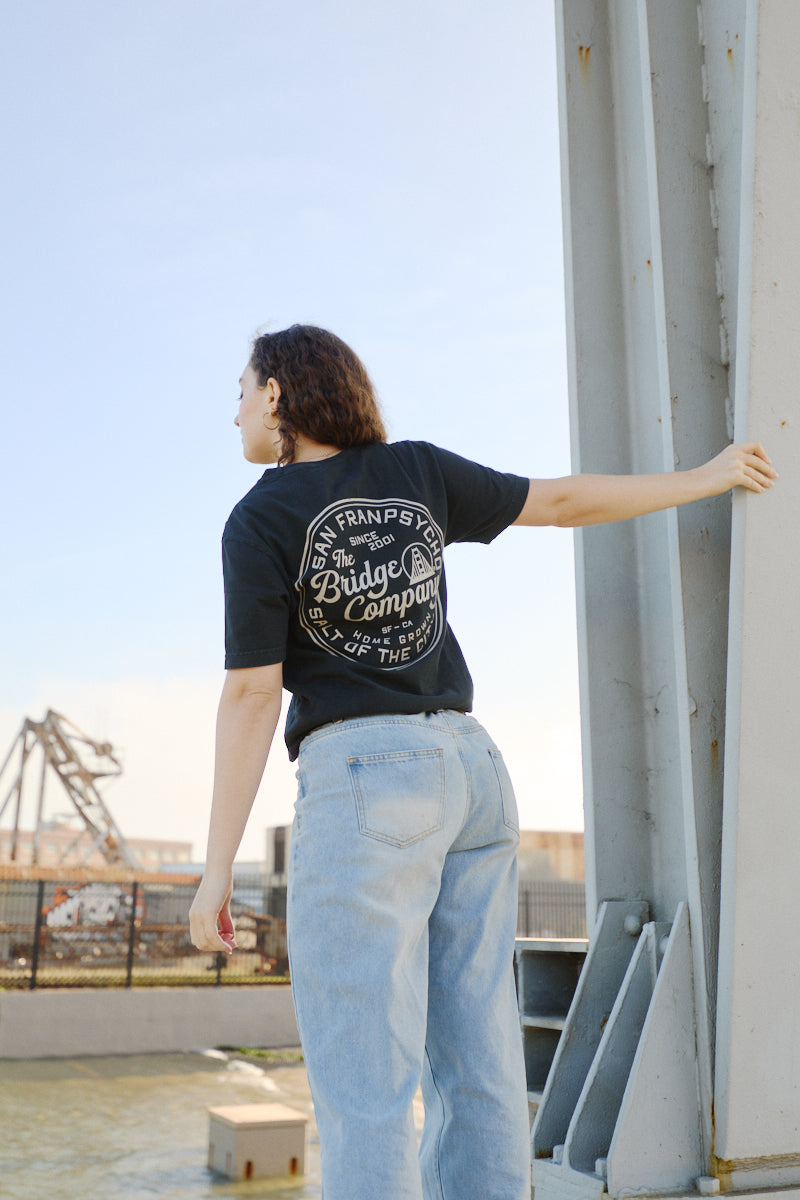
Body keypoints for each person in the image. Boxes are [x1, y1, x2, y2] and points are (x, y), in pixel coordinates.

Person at [189, 324, 776, 1200]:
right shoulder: (418, 472)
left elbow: (250, 695)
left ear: (278, 395)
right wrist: (709, 474)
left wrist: (215, 871)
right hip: (470, 768)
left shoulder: (263, 516)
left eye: (240, 391)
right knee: (481, 1060)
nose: (232, 410)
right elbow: (567, 502)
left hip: (363, 782)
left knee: (365, 1085)